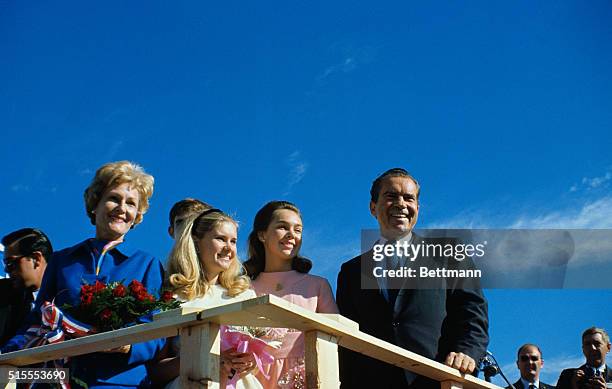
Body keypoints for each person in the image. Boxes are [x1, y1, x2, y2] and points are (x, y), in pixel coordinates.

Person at [2, 161, 165, 389]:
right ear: (95, 204)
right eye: (114, 199)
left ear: (137, 215)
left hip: (120, 381)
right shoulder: (62, 260)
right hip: (60, 379)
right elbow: (38, 321)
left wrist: (128, 346)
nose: (122, 208)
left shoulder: (147, 264)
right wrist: (5, 353)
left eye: (131, 204)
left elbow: (158, 329)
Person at [336, 168, 489, 389]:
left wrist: (466, 352)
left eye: (409, 198)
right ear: (372, 207)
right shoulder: (351, 272)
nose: (401, 204)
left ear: (417, 207)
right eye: (391, 197)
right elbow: (348, 339)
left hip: (436, 381)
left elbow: (472, 312)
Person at [154, 208, 260, 389]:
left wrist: (251, 363)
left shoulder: (244, 295)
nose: (228, 248)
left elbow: (256, 360)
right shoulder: (174, 297)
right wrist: (204, 359)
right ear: (196, 242)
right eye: (220, 239)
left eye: (233, 241)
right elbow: (157, 370)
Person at [244, 200, 338, 389]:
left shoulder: (317, 286)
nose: (291, 235)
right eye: (282, 227)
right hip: (253, 380)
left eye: (298, 230)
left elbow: (334, 340)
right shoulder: (244, 289)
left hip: (308, 378)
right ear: (262, 235)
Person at [0, 228, 52, 345]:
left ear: (36, 259)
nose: (6, 270)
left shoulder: (70, 292)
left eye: (10, 263)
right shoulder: (3, 294)